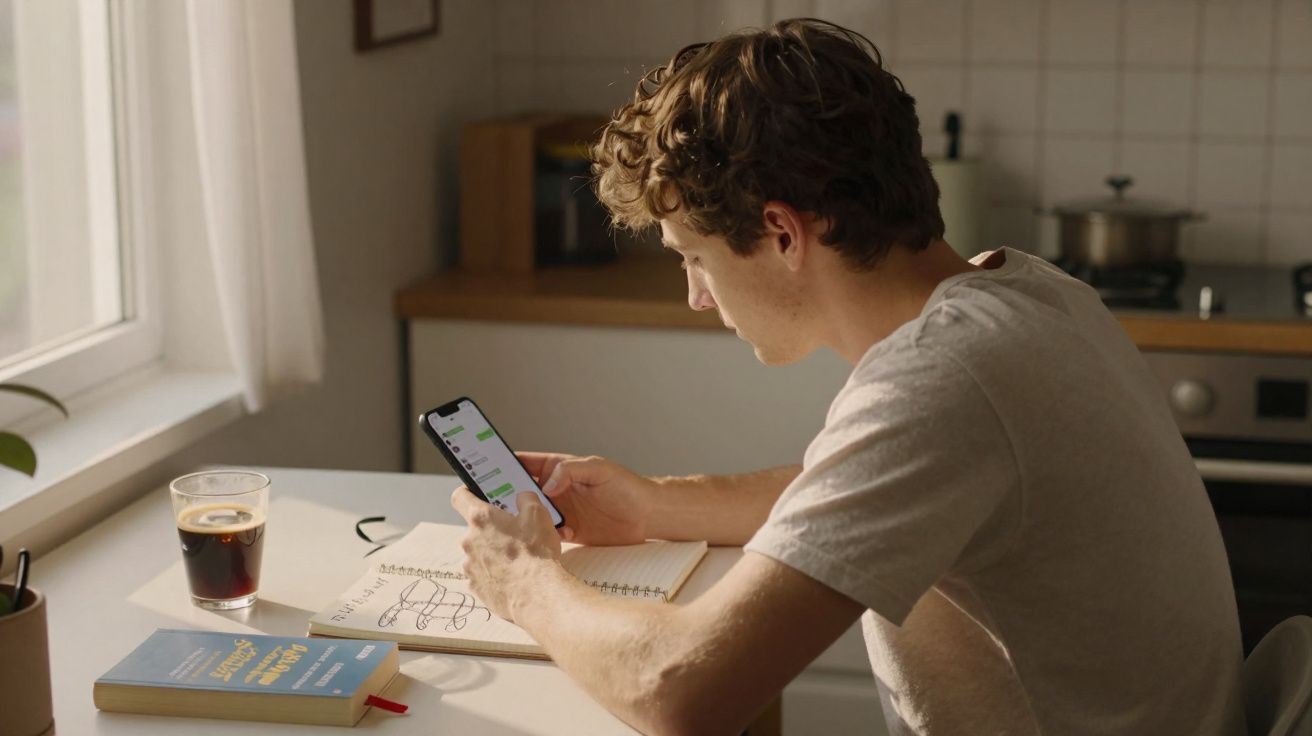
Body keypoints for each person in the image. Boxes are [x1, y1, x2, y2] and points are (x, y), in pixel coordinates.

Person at [450, 18, 1246, 736]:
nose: (696, 297)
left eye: (695, 259)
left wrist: (524, 581)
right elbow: (873, 489)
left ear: (781, 232)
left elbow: (678, 691)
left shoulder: (942, 380)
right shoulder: (1030, 293)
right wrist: (652, 502)